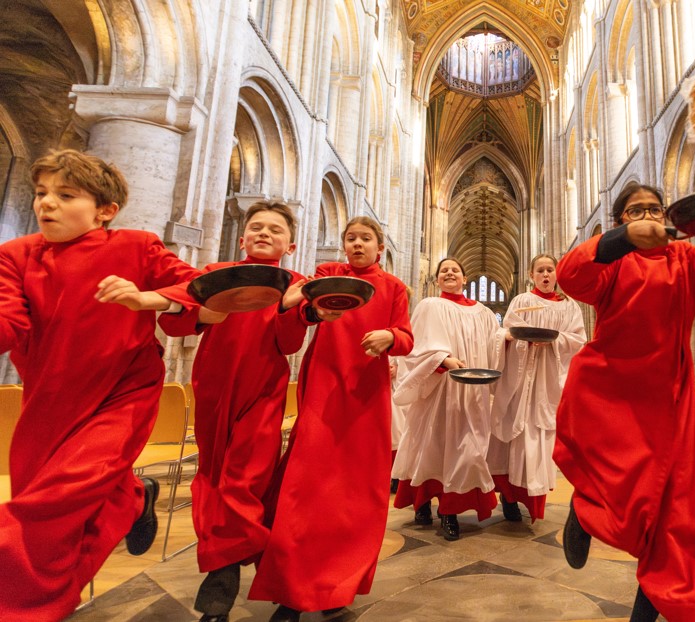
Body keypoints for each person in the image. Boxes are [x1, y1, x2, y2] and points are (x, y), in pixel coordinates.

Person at [554, 146, 695, 622]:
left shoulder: (687, 263)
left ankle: (646, 611)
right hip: (608, 393)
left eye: (653, 209)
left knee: (673, 517)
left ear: (668, 219)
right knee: (618, 484)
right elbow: (571, 276)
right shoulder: (611, 264)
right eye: (635, 211)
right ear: (620, 221)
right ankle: (587, 510)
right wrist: (621, 239)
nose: (647, 216)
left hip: (668, 401)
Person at [0, 149, 206, 620]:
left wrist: (148, 298)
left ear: (105, 210)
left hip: (121, 396)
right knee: (56, 514)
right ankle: (129, 500)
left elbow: (196, 289)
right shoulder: (14, 255)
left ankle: (20, 607)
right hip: (48, 403)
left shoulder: (136, 245)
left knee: (48, 506)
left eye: (65, 195)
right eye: (41, 193)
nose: (46, 204)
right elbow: (7, 320)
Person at [248, 216, 413, 622]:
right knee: (305, 489)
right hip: (323, 388)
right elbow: (301, 310)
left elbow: (406, 337)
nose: (357, 244)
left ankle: (336, 585)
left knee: (355, 497)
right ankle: (291, 591)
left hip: (366, 398)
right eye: (351, 238)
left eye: (366, 239)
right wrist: (315, 312)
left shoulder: (393, 287)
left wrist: (390, 337)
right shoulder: (327, 274)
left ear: (380, 247)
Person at [156, 201, 308, 622]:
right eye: (256, 227)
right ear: (242, 238)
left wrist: (286, 307)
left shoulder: (294, 282)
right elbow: (176, 321)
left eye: (274, 230)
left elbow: (291, 343)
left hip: (262, 392)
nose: (264, 234)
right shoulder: (215, 274)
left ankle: (220, 581)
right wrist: (195, 310)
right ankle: (272, 572)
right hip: (212, 389)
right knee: (212, 479)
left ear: (290, 245)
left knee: (245, 480)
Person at [391, 257, 502, 541]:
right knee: (432, 445)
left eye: (455, 270)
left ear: (465, 279)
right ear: (437, 279)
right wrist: (442, 359)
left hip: (472, 392)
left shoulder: (484, 313)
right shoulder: (430, 306)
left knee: (468, 448)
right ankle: (426, 503)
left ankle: (449, 509)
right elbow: (417, 347)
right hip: (438, 389)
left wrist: (511, 338)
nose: (450, 273)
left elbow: (495, 346)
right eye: (444, 271)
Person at [488, 253, 585, 522]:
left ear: (557, 274)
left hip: (549, 380)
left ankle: (533, 498)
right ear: (531, 275)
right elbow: (506, 332)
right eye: (540, 270)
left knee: (541, 439)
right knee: (515, 436)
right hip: (521, 380)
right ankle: (508, 497)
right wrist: (519, 339)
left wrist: (553, 341)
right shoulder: (522, 301)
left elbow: (578, 340)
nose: (545, 275)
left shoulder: (569, 306)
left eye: (549, 270)